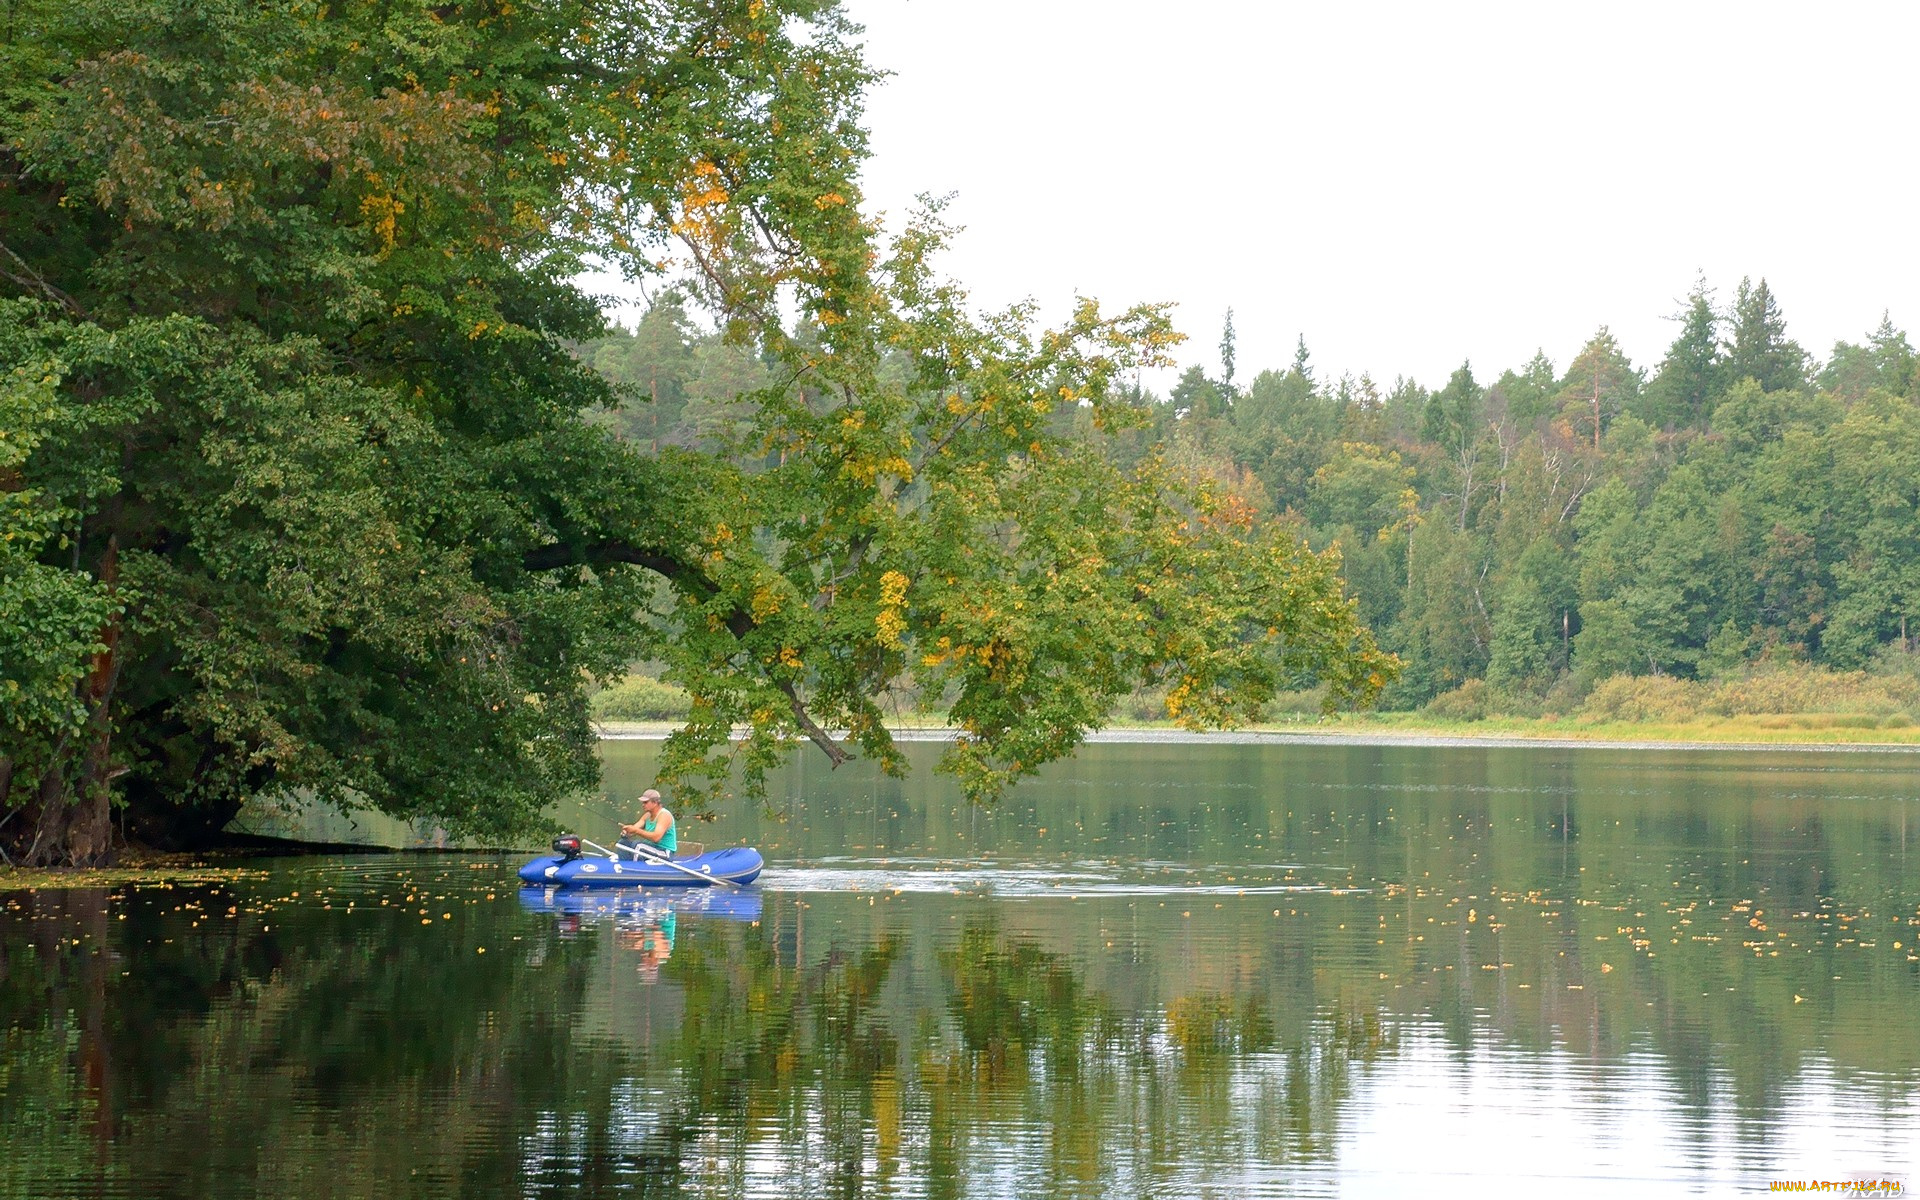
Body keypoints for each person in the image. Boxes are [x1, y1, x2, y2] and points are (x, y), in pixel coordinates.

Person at [618, 789, 677, 859]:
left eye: (645, 802)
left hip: (664, 852)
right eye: (643, 803)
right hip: (651, 848)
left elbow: (656, 838)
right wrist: (626, 832)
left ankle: (636, 868)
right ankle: (624, 866)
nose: (643, 805)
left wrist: (636, 831)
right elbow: (634, 829)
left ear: (655, 803)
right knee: (622, 843)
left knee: (638, 845)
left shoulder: (664, 815)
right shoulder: (647, 815)